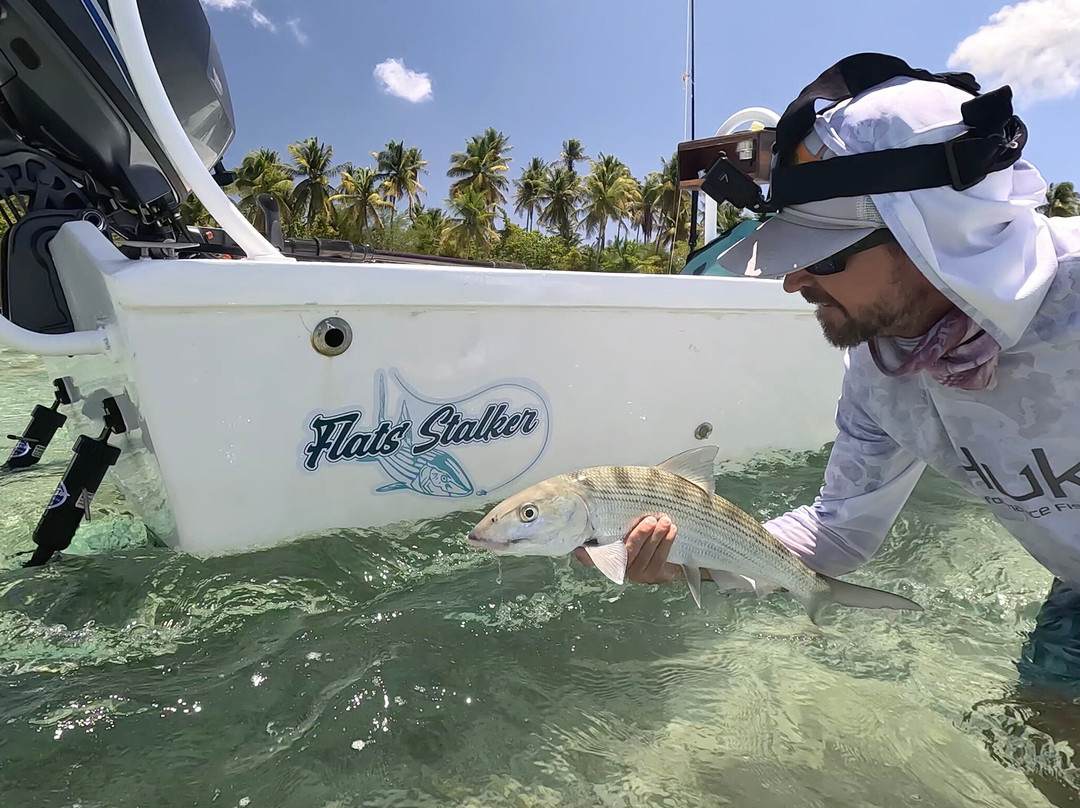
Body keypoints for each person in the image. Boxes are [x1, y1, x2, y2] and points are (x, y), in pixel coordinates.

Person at [574, 56, 1080, 686]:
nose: (793, 279)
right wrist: (690, 556)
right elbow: (839, 532)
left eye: (824, 255)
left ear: (935, 234)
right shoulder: (879, 374)